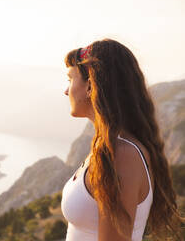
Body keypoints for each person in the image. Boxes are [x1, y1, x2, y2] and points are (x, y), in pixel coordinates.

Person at [60, 38, 184, 241]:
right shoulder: (108, 147)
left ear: (91, 85)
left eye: (70, 79)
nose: (66, 91)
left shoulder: (122, 154)